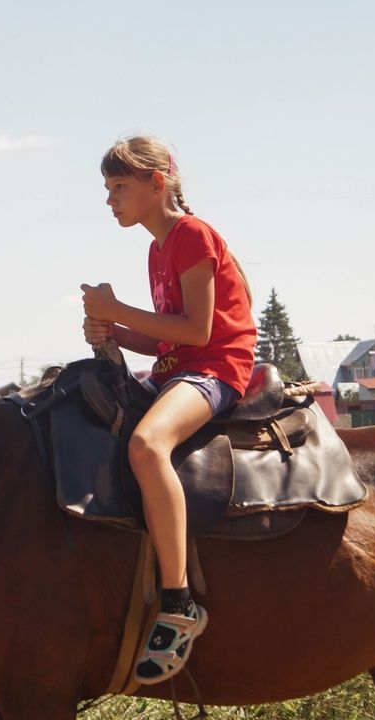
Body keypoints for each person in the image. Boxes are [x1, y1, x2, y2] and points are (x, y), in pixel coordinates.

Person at [81, 137, 257, 685]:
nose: (110, 201)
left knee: (146, 444)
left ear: (158, 184)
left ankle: (180, 602)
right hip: (180, 368)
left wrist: (118, 309)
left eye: (120, 188)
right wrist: (114, 331)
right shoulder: (158, 248)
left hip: (216, 369)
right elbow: (166, 341)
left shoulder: (192, 236)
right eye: (108, 189)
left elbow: (199, 333)